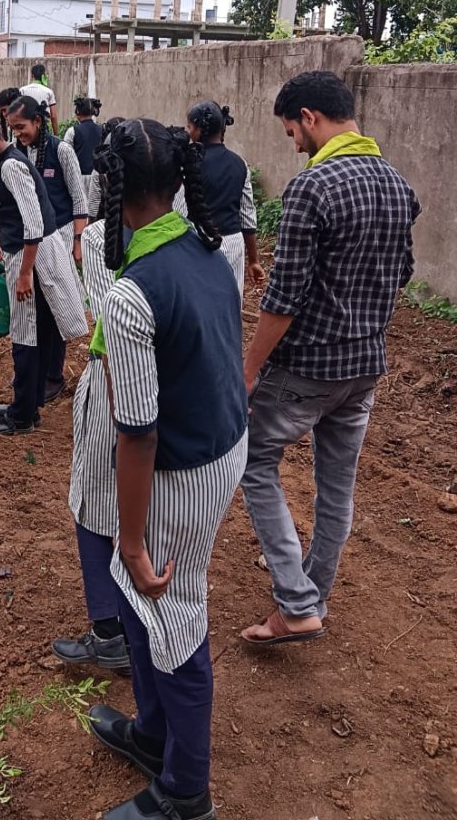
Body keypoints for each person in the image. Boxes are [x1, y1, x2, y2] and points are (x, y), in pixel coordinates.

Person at [85, 119, 248, 820]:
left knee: (173, 611)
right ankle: (152, 734)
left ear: (109, 185)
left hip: (181, 467)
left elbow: (139, 432)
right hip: (221, 443)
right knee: (141, 599)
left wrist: (128, 536)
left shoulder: (129, 293)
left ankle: (187, 792)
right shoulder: (205, 247)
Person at [240, 71, 420, 645]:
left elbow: (284, 296)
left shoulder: (311, 189)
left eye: (292, 130)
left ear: (310, 118)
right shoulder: (396, 183)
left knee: (253, 461)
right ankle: (309, 597)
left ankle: (295, 604)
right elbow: (403, 273)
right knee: (336, 489)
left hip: (307, 368)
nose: (293, 143)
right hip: (365, 366)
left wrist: (247, 371)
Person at [0, 113, 88, 435]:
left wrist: (25, 274)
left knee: (25, 335)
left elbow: (33, 223)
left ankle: (22, 416)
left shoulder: (12, 167)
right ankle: (28, 404)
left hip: (32, 259)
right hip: (29, 257)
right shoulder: (5, 166)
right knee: (37, 332)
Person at [51, 213, 130, 676]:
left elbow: (108, 334)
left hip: (117, 395)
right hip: (182, 398)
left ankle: (108, 633)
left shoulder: (103, 239)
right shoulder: (200, 236)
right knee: (152, 518)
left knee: (95, 506)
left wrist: (127, 420)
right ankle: (141, 629)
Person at [7, 94, 88, 401]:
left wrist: (77, 241)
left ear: (38, 121)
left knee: (57, 307)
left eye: (21, 126)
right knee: (34, 308)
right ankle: (33, 372)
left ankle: (54, 374)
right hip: (28, 241)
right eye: (13, 128)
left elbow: (78, 199)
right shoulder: (16, 154)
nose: (17, 133)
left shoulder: (61, 150)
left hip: (60, 237)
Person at [177, 100, 264, 296]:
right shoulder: (239, 163)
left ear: (199, 129)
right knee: (231, 303)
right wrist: (253, 261)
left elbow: (179, 208)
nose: (188, 132)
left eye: (189, 127)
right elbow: (247, 216)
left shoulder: (186, 163)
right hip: (233, 244)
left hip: (196, 243)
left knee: (197, 303)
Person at [64, 96, 102, 206]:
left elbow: (65, 156)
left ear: (77, 112)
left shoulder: (72, 131)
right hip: (98, 178)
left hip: (79, 178)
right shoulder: (102, 130)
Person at [18, 62, 59, 134]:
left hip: (27, 127)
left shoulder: (22, 90)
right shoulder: (49, 92)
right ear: (43, 76)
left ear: (32, 76)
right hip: (43, 128)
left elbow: (18, 111)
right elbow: (53, 116)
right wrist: (56, 135)